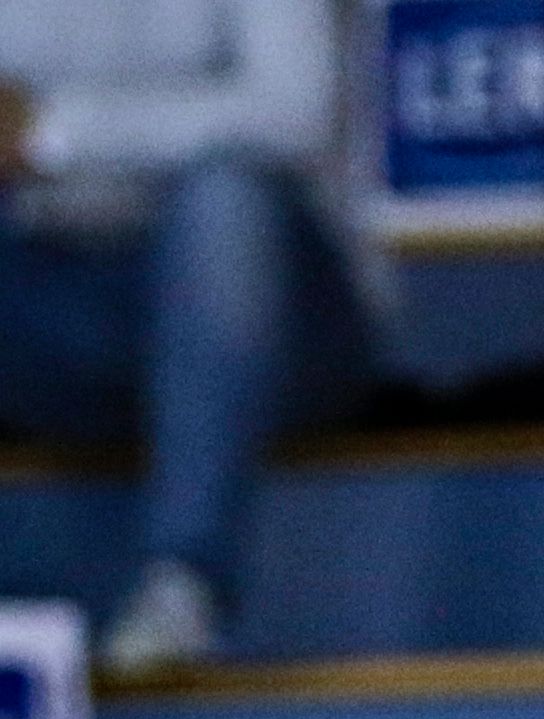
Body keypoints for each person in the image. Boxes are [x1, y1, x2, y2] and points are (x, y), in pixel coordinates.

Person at [0, 0, 374, 672]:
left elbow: (293, 111)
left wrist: (54, 131)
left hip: (276, 326)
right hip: (66, 315)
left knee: (226, 195)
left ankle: (185, 583)